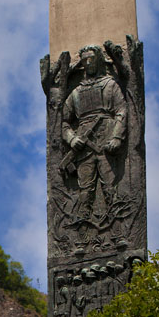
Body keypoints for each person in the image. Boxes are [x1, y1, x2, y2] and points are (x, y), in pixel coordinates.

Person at [61, 45, 127, 250]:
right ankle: (81, 239)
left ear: (98, 60)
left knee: (110, 189)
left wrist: (116, 137)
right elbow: (63, 122)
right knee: (85, 192)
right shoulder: (75, 93)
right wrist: (72, 139)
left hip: (106, 144)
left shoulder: (110, 85)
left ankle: (117, 235)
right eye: (85, 60)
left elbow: (121, 111)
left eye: (91, 59)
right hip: (84, 148)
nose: (88, 63)